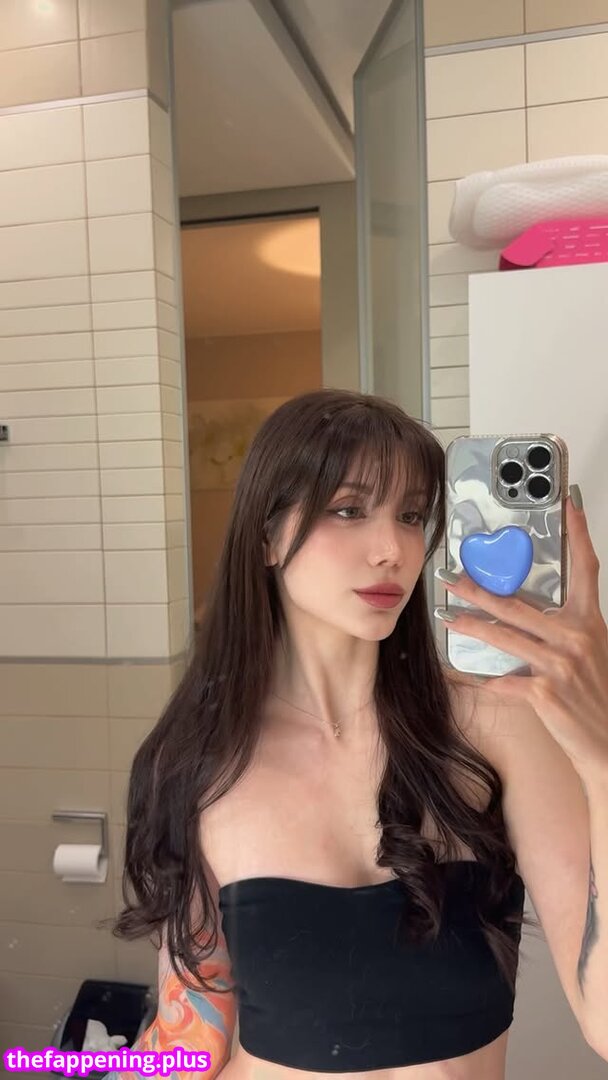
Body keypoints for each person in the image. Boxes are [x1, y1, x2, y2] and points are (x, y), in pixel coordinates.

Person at [106, 388, 600, 1080]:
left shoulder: (496, 728)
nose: (393, 549)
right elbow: (193, 1037)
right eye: (348, 509)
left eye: (412, 515)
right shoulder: (197, 764)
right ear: (267, 536)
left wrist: (600, 751)